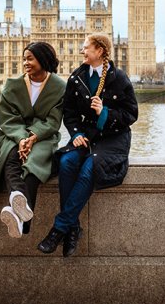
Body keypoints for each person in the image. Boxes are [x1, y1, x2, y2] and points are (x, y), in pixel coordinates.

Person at [37, 33, 138, 257]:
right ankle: (73, 227)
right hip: (87, 136)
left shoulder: (119, 78)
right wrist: (76, 134)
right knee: (66, 162)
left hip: (113, 138)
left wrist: (105, 112)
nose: (82, 51)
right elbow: (70, 113)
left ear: (99, 51)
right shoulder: (77, 77)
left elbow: (132, 114)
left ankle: (60, 228)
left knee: (89, 169)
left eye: (86, 48)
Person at [0, 42, 65, 238]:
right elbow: (8, 119)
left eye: (30, 58)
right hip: (13, 134)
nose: (25, 63)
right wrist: (21, 138)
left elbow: (53, 121)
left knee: (34, 163)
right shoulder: (13, 85)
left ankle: (17, 213)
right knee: (11, 157)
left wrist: (33, 136)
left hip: (43, 137)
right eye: (24, 58)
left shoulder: (60, 87)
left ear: (43, 60)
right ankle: (18, 206)